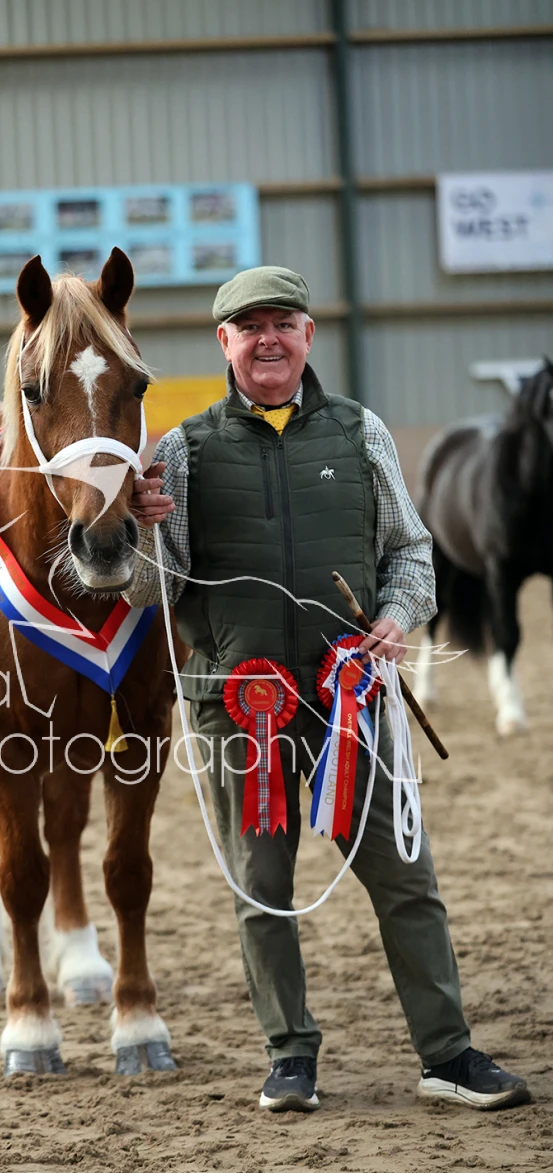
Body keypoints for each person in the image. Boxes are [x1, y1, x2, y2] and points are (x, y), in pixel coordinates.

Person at [123, 265, 530, 1113]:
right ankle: (289, 1056)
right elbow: (150, 591)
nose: (267, 340)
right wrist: (140, 531)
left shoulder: (359, 432)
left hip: (352, 699)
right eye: (249, 327)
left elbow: (410, 549)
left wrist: (397, 616)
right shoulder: (182, 452)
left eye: (283, 323)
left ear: (308, 335)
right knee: (261, 889)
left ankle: (447, 1055)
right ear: (224, 342)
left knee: (406, 880)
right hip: (238, 704)